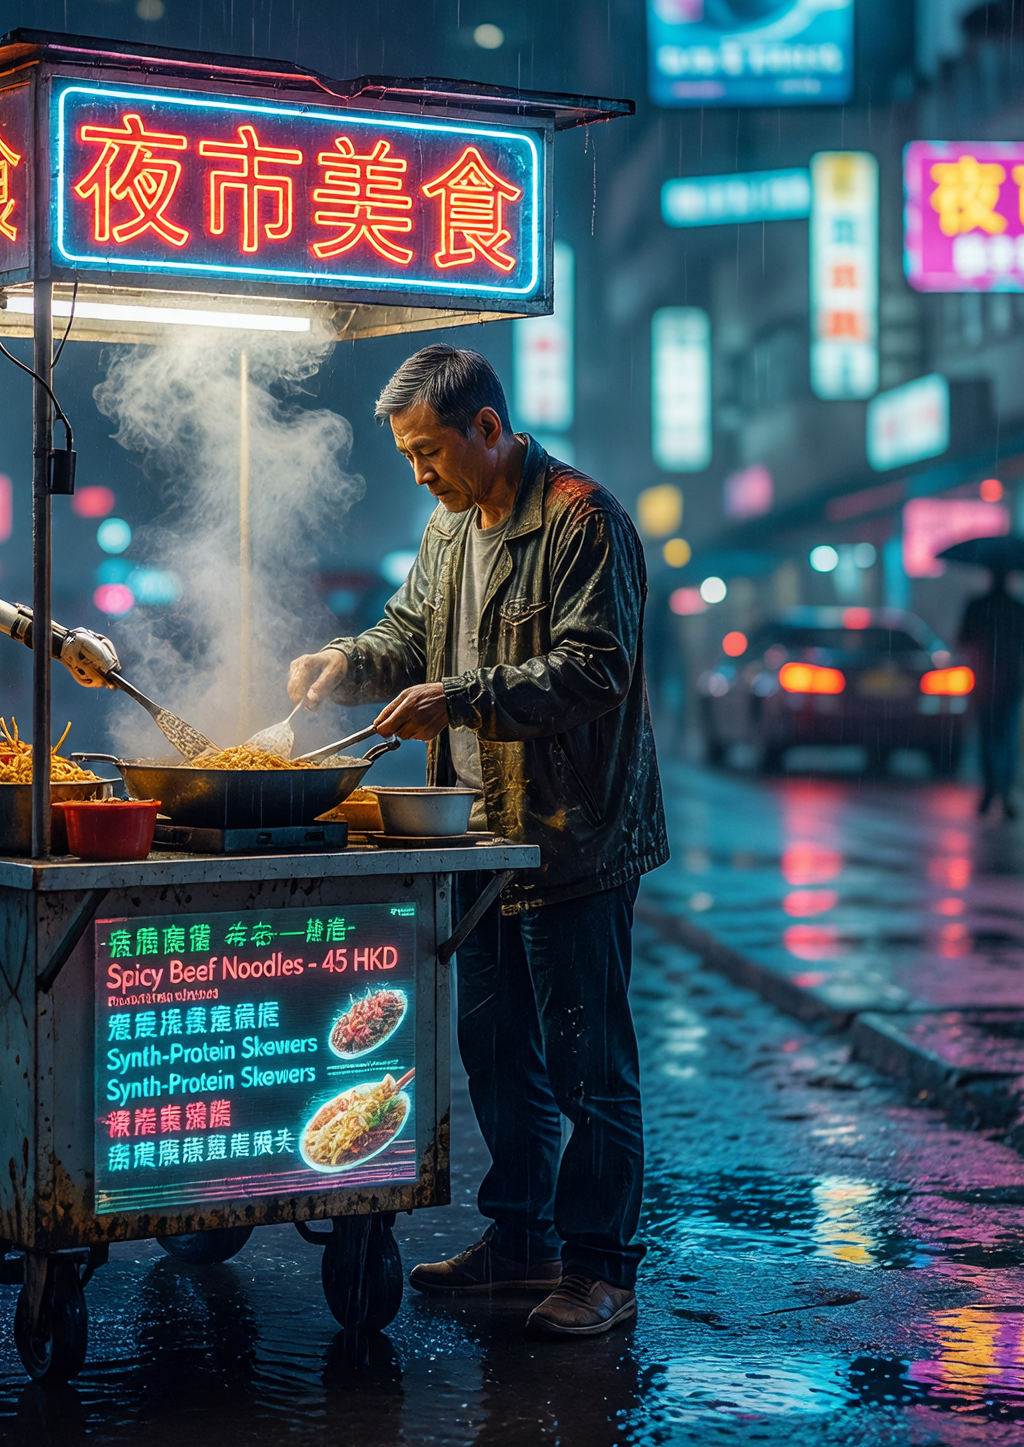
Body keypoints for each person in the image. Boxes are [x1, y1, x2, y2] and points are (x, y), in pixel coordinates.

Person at [287, 346, 664, 1341]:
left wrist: (460, 697)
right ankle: (520, 1237)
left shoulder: (584, 520)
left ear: (487, 430)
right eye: (408, 455)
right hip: (476, 837)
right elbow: (409, 634)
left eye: (427, 451)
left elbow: (594, 669)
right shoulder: (450, 528)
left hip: (572, 840)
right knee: (494, 1055)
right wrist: (344, 661)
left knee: (589, 1069)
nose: (419, 473)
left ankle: (600, 1267)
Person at [957, 569, 1024, 819]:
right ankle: (1002, 792)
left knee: (988, 739)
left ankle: (991, 790)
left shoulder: (977, 606)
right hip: (1010, 683)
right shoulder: (1018, 608)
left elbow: (963, 638)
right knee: (1006, 740)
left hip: (986, 683)